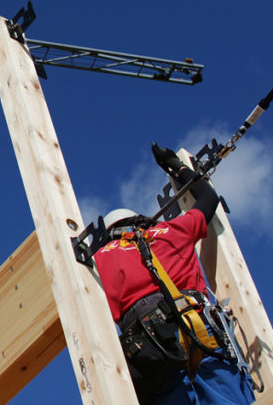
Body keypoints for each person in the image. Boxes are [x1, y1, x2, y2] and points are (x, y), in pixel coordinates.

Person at [93, 144, 255, 405]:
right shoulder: (170, 231)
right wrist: (178, 169)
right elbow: (208, 199)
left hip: (151, 356)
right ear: (140, 221)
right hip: (199, 333)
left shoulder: (98, 262)